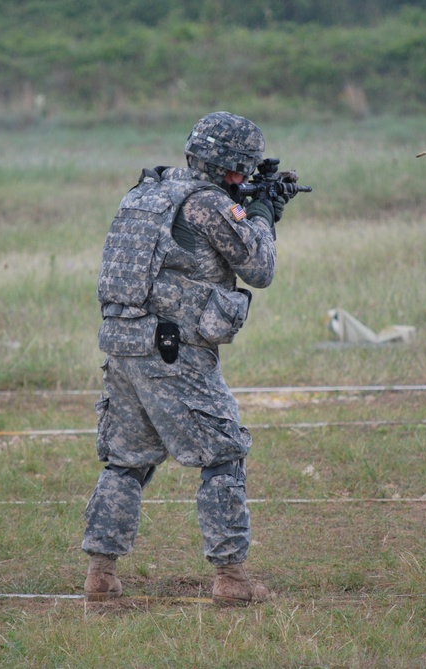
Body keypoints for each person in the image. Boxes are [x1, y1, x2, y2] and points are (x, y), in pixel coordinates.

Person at [82, 111, 295, 605]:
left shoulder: (144, 193)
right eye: (243, 172)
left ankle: (101, 572)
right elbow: (259, 268)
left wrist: (250, 206)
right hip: (172, 352)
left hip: (124, 344)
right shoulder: (208, 205)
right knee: (223, 454)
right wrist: (261, 214)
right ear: (231, 168)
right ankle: (232, 579)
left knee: (126, 461)